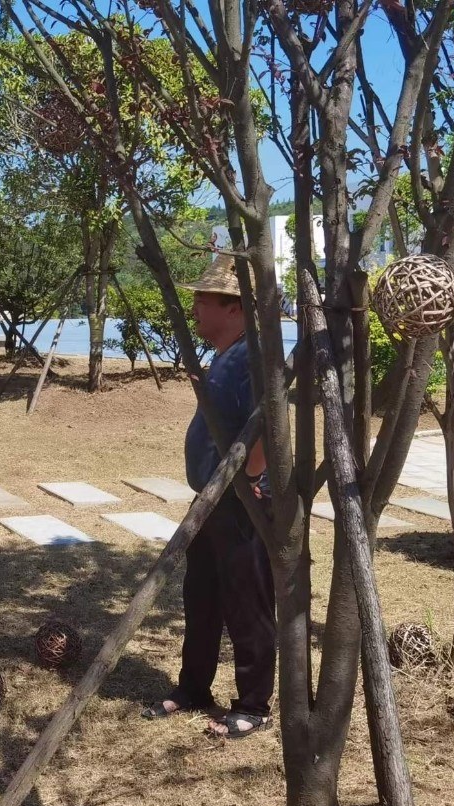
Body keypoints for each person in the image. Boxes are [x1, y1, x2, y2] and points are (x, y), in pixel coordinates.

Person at [141, 254, 276, 740]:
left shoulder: (252, 357)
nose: (195, 307)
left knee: (246, 602)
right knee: (201, 596)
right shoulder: (227, 354)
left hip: (242, 502)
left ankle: (253, 705)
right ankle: (194, 687)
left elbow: (266, 425)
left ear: (234, 307)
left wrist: (252, 480)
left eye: (203, 299)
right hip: (212, 499)